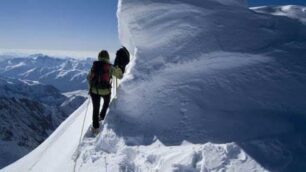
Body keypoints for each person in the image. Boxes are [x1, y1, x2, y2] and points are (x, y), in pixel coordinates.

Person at [87, 50, 123, 133]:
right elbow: (120, 76)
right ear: (107, 57)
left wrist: (90, 89)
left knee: (95, 109)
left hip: (94, 91)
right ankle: (102, 116)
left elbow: (89, 77)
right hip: (106, 91)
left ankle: (95, 128)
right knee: (106, 103)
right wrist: (118, 68)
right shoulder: (110, 67)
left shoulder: (94, 66)